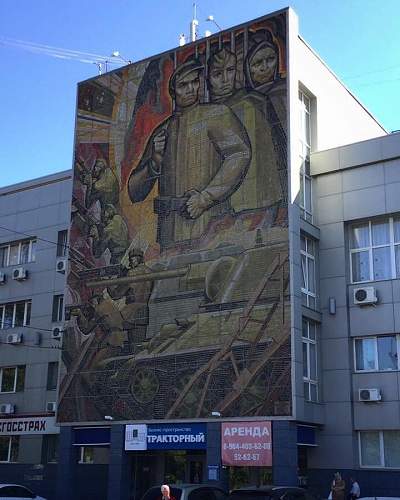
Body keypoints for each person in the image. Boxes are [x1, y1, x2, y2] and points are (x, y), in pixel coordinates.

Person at [128, 58, 251, 252]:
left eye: (195, 82)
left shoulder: (217, 114)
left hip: (211, 226)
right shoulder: (162, 130)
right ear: (172, 92)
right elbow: (134, 192)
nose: (191, 89)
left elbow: (239, 154)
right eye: (183, 85)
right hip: (169, 233)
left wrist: (206, 197)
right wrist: (154, 161)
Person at [207, 47, 284, 212]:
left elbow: (279, 151)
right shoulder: (201, 115)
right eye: (217, 74)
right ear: (207, 79)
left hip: (255, 203)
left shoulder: (254, 102)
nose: (225, 79)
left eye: (230, 70)